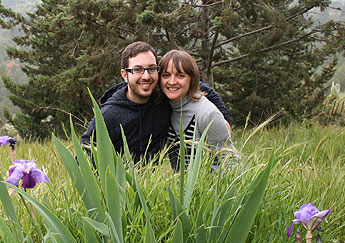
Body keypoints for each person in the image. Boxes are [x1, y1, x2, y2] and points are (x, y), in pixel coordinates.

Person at [81, 41, 231, 163]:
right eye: (138, 70)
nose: (146, 76)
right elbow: (85, 155)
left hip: (154, 186)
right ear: (125, 75)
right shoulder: (110, 115)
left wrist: (224, 118)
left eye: (151, 68)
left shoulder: (162, 95)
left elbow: (197, 86)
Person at [159, 49, 235, 169]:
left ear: (192, 79)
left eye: (181, 75)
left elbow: (230, 162)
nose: (172, 82)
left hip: (210, 185)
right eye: (166, 75)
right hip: (180, 186)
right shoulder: (164, 108)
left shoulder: (208, 114)